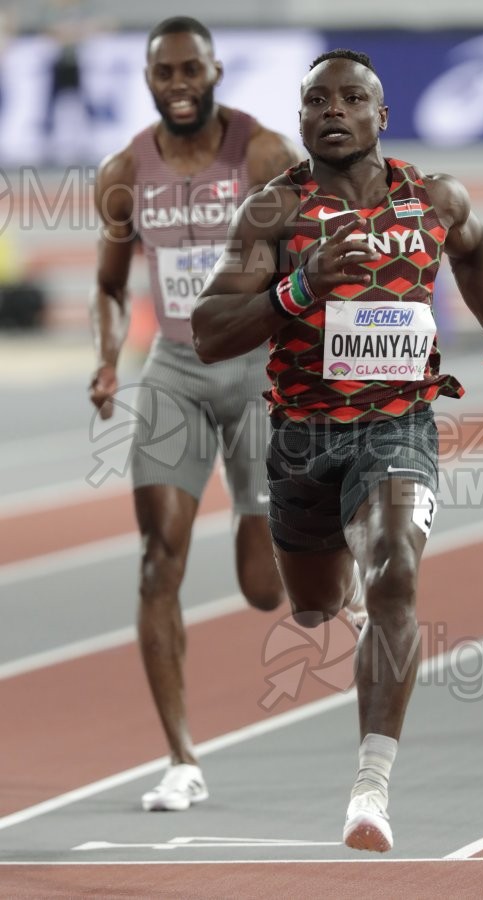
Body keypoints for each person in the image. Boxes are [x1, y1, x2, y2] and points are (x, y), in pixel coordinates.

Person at [191, 49, 483, 852]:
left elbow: (475, 248)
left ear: (380, 116)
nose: (333, 111)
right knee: (312, 607)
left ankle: (370, 790)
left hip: (398, 425)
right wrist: (300, 285)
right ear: (302, 119)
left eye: (352, 99)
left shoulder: (433, 198)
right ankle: (341, 592)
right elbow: (209, 333)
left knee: (396, 568)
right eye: (317, 101)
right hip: (303, 436)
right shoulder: (273, 214)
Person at [89, 17, 302, 812]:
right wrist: (109, 359)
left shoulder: (264, 155)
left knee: (262, 589)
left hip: (253, 369)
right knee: (157, 559)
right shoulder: (123, 171)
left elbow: (308, 260)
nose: (177, 86)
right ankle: (181, 758)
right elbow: (109, 286)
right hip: (174, 370)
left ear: (215, 70)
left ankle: (307, 529)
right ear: (147, 81)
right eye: (162, 75)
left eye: (190, 70)